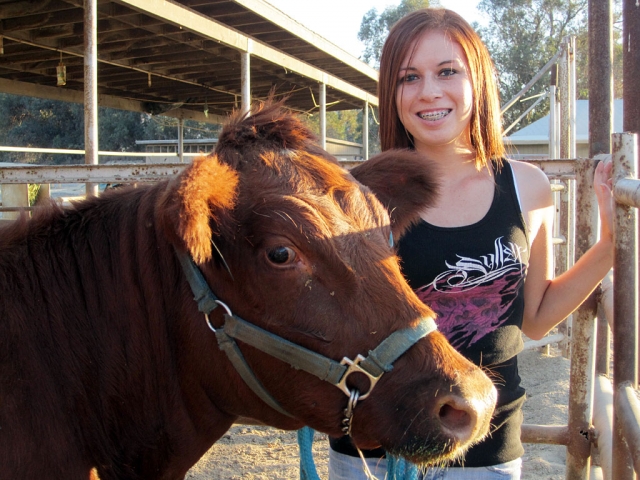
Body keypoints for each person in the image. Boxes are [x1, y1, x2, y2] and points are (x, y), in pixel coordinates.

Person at [328, 8, 613, 480]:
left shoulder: (528, 187)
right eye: (409, 77)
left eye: (447, 72)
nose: (429, 92)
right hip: (378, 445)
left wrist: (609, 246)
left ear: (477, 79)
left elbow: (535, 320)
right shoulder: (356, 195)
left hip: (486, 444)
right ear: (390, 93)